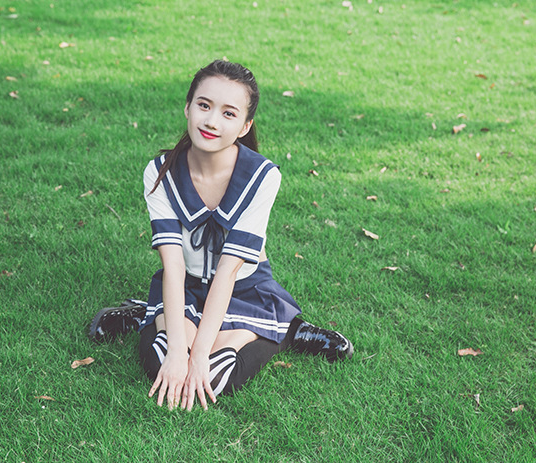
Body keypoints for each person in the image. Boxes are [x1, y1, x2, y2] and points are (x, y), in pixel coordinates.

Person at [89, 60, 352, 411]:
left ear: (245, 126)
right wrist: (179, 353)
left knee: (213, 374)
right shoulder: (160, 172)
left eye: (229, 113)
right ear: (188, 108)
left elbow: (228, 271)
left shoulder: (262, 177)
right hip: (185, 284)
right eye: (204, 105)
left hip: (244, 289)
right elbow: (173, 265)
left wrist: (198, 355)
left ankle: (288, 329)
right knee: (163, 363)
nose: (212, 121)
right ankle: (145, 313)